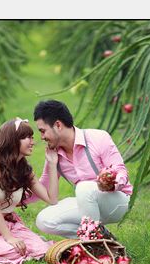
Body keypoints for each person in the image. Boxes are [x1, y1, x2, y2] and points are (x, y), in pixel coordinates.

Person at [23, 100, 133, 238]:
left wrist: (112, 182)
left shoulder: (98, 137)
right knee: (44, 220)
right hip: (88, 205)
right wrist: (10, 199)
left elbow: (120, 170)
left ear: (58, 125)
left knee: (83, 188)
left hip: (118, 201)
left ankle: (93, 243)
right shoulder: (53, 154)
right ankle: (102, 236)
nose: (42, 137)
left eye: (43, 131)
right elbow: (42, 189)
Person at [0, 117, 59, 264]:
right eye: (27, 137)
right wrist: (9, 238)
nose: (33, 142)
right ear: (13, 139)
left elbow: (51, 199)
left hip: (10, 225)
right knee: (13, 250)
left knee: (42, 249)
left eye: (32, 137)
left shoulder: (24, 169)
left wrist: (52, 164)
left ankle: (18, 242)